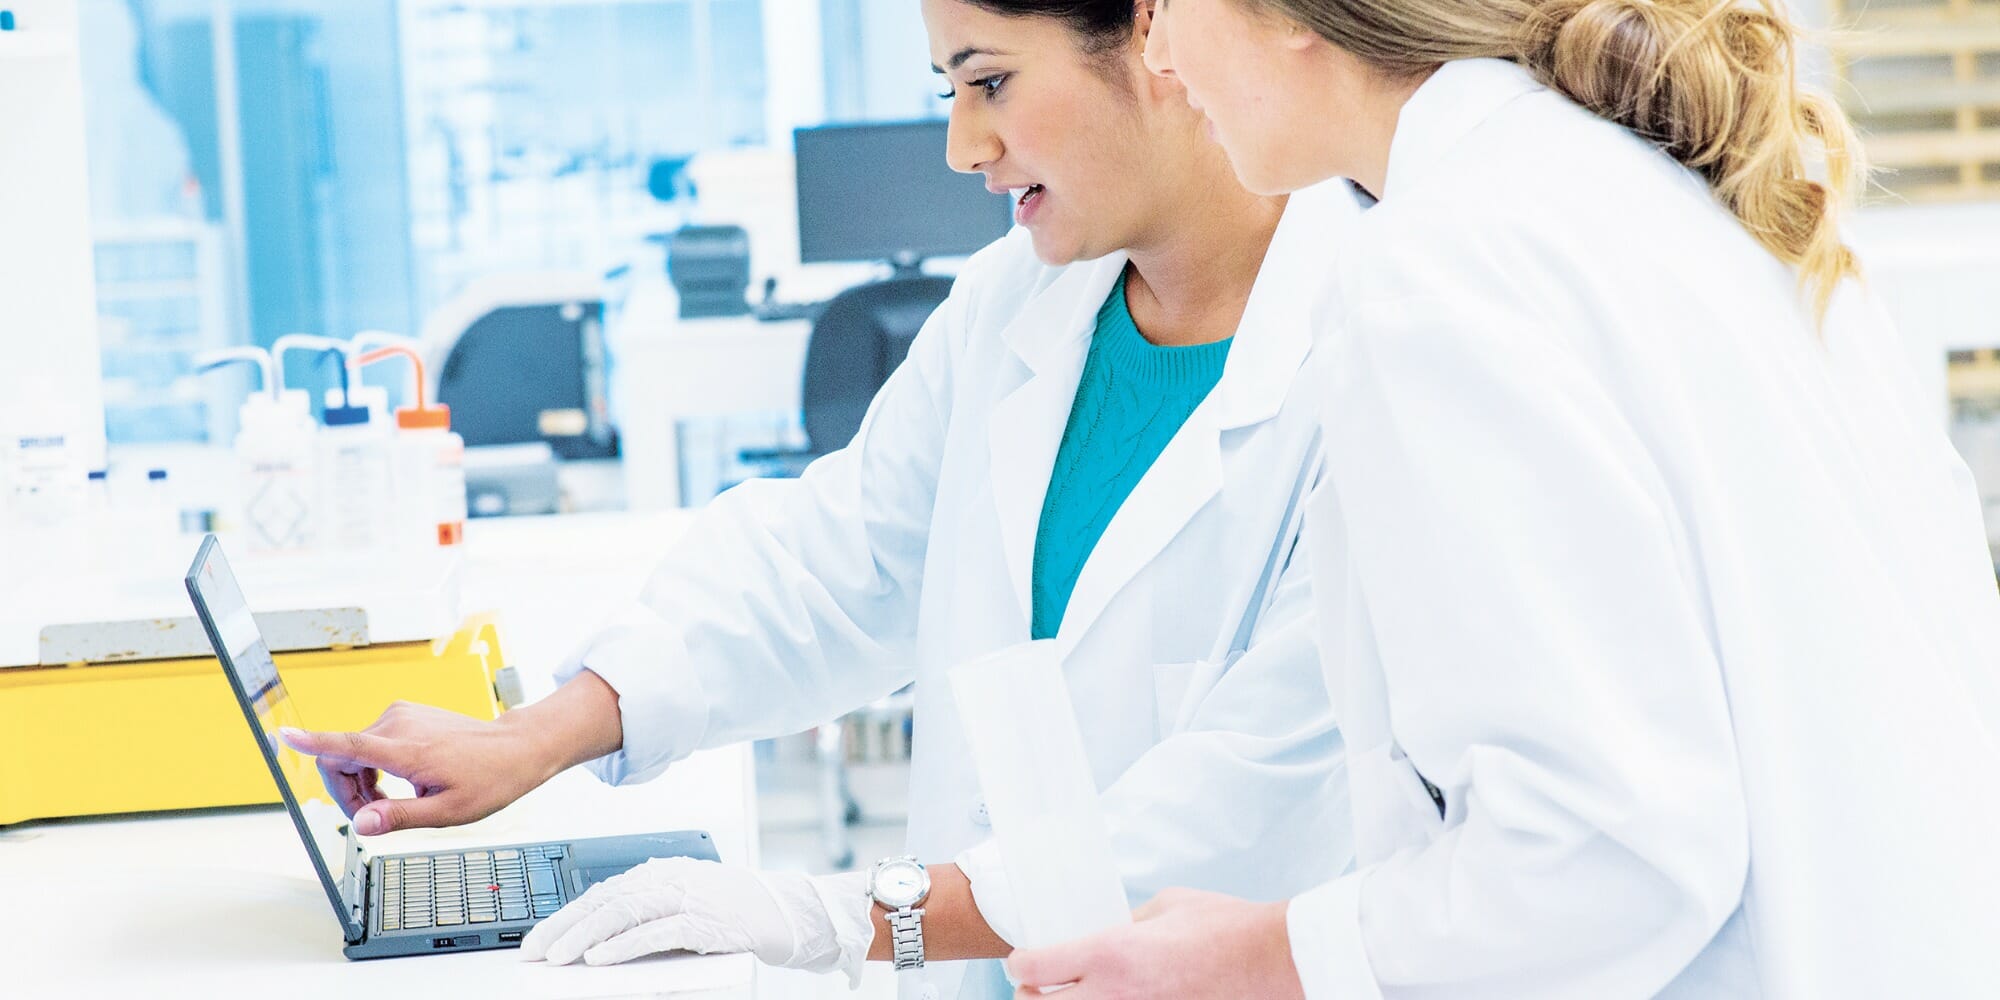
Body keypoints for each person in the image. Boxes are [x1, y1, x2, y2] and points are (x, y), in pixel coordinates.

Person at [282, 1, 1365, 997]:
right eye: (951, 94)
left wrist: (838, 913)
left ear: (1153, 34)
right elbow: (837, 561)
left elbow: (1247, 794)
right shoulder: (1017, 302)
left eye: (988, 83)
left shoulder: (1376, 346)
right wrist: (537, 735)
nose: (962, 149)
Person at [1005, 0, 2000, 997]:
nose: (1163, 56)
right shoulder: (1670, 191)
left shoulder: (1441, 265)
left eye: (1168, 6)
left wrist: (1270, 954)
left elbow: (1607, 857)